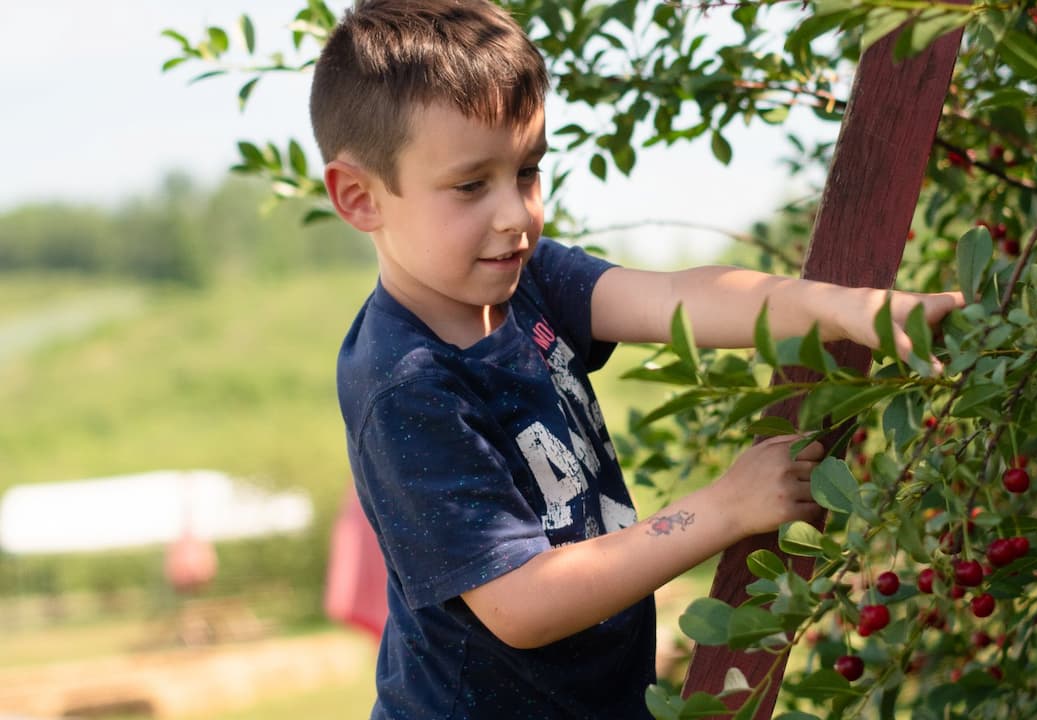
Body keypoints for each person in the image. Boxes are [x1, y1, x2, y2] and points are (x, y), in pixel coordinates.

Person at [312, 1, 962, 717]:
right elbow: (520, 603)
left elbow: (676, 298)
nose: (516, 215)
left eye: (527, 171)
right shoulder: (407, 383)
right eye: (471, 185)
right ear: (360, 197)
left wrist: (845, 309)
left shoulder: (528, 281)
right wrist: (723, 509)